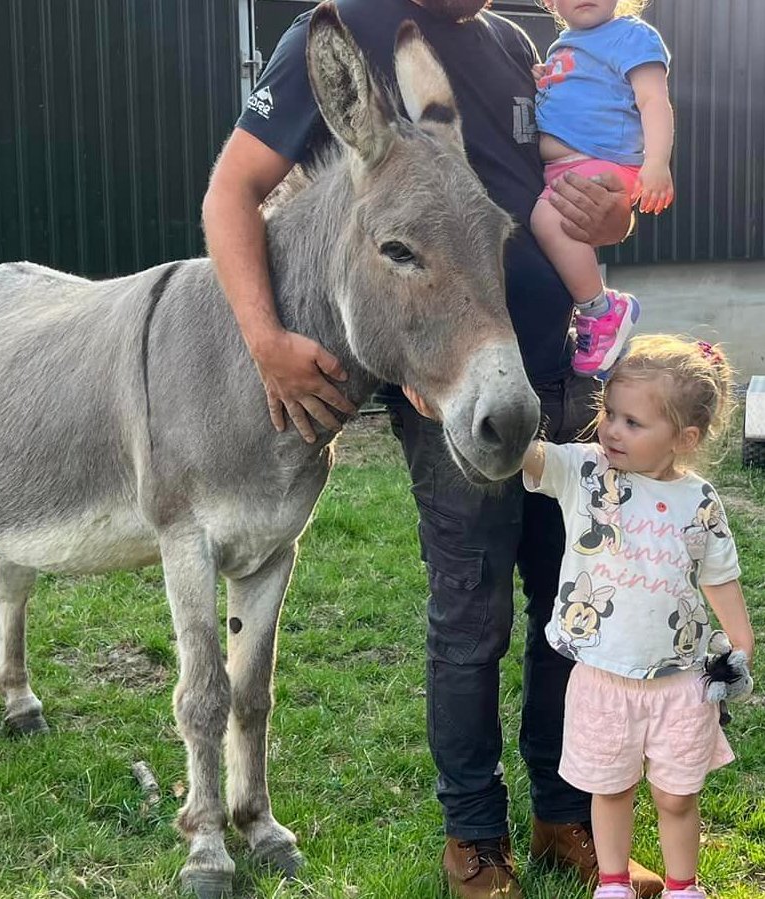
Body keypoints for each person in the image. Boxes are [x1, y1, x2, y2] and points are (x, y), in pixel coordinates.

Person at [203, 2, 662, 897]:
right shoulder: (336, 35)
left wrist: (610, 217)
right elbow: (231, 190)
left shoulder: (510, 47)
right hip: (451, 392)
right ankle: (474, 836)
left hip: (564, 371)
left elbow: (566, 198)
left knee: (571, 608)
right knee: (470, 616)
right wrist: (262, 336)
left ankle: (563, 814)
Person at [520, 335, 755, 899]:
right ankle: (614, 881)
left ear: (685, 438)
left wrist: (742, 640)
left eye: (633, 422)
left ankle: (682, 886)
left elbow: (718, 574)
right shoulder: (585, 474)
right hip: (602, 677)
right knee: (611, 787)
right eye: (610, 413)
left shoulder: (699, 500)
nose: (612, 429)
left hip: (680, 679)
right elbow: (529, 457)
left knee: (677, 795)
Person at [531, 0, 673, 378]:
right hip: (566, 167)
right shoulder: (560, 46)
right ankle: (601, 323)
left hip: (606, 164)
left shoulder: (632, 35)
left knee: (547, 220)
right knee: (561, 231)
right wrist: (544, 82)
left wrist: (656, 162)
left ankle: (601, 311)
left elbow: (653, 100)